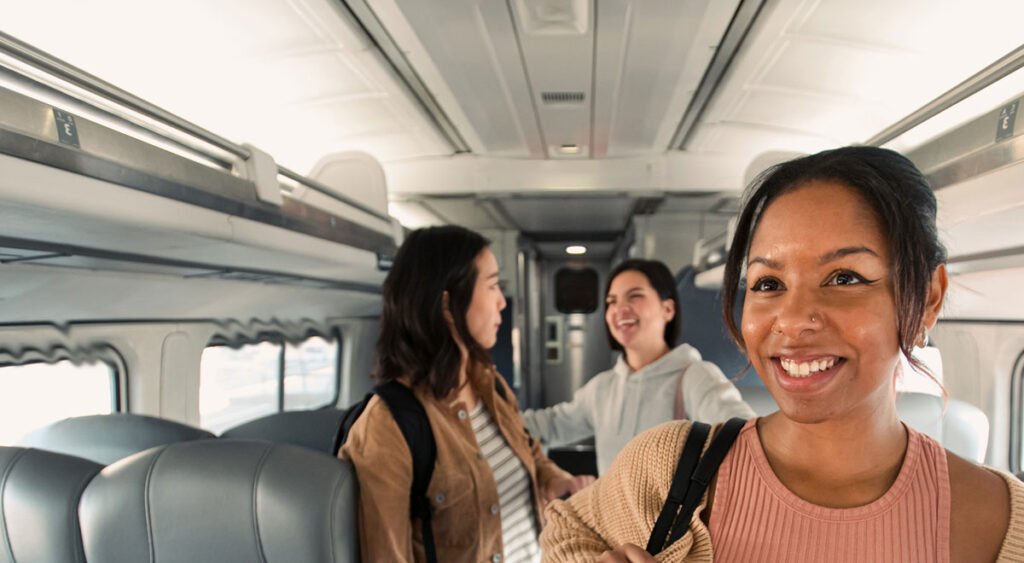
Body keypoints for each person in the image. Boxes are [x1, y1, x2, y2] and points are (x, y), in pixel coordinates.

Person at [540, 146, 1024, 562]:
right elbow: (566, 531)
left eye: (844, 278)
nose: (792, 320)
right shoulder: (668, 467)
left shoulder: (1002, 524)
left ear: (929, 297)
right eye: (768, 283)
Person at [340, 225, 592, 563]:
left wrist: (557, 482)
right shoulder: (387, 428)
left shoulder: (491, 386)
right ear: (448, 303)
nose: (502, 301)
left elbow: (531, 454)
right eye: (492, 286)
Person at [521, 259, 754, 475]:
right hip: (614, 519)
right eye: (612, 301)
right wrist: (491, 413)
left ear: (668, 310)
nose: (620, 310)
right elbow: (550, 425)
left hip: (671, 520)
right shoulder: (603, 388)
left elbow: (745, 436)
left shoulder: (695, 377)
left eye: (634, 297)